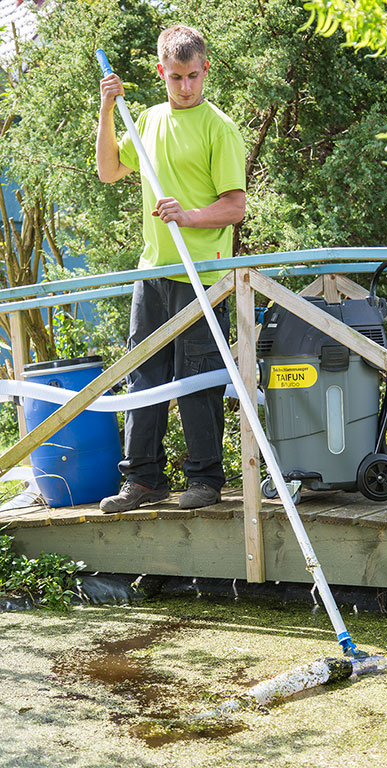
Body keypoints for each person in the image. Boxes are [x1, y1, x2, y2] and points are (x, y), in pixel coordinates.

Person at [96, 25, 246, 512]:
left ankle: (204, 481)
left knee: (198, 380)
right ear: (162, 72)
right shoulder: (147, 119)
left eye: (193, 76)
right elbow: (109, 171)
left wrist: (190, 216)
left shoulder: (218, 127)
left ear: (206, 71)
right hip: (153, 274)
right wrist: (106, 108)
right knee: (144, 377)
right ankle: (143, 481)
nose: (186, 86)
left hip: (202, 275)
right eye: (176, 77)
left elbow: (235, 206)